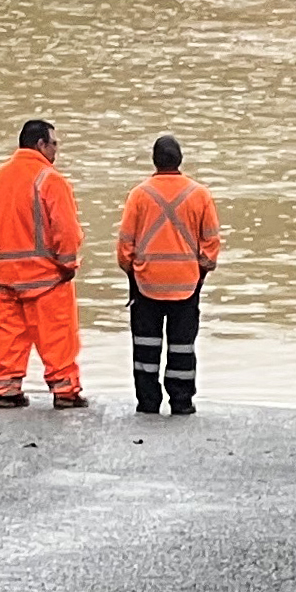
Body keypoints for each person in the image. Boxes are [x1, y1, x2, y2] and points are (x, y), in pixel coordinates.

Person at [0, 118, 87, 410]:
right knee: (57, 336)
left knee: (10, 335)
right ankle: (65, 390)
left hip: (7, 275)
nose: (57, 150)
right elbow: (65, 229)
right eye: (54, 144)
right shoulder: (51, 180)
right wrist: (68, 265)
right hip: (45, 276)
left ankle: (8, 390)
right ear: (41, 144)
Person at [116, 134, 223, 416]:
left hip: (146, 284)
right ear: (180, 160)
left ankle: (148, 402)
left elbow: (125, 245)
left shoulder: (139, 195)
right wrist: (201, 270)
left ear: (154, 161)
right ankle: (182, 402)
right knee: (182, 349)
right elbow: (211, 244)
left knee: (146, 348)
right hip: (187, 285)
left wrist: (131, 271)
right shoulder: (199, 194)